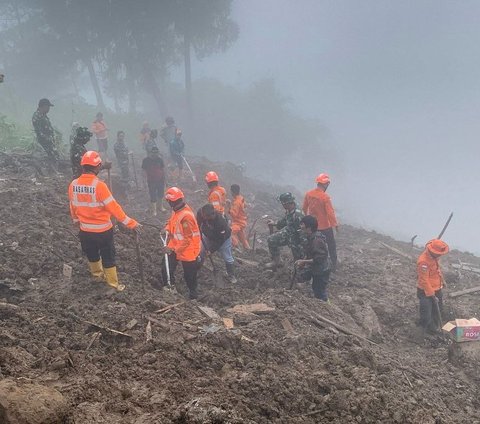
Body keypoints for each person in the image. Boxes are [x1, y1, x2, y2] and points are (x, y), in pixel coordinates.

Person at [68, 151, 139, 291]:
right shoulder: (100, 186)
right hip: (103, 231)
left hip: (85, 231)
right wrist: (131, 223)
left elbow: (73, 205)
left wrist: (76, 220)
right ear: (97, 167)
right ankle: (112, 284)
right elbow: (114, 208)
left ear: (83, 166)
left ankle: (97, 276)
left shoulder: (73, 184)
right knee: (108, 256)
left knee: (92, 254)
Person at [161, 187, 201, 299]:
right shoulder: (176, 209)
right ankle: (169, 287)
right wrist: (167, 229)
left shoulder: (186, 216)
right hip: (175, 244)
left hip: (188, 248)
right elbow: (171, 222)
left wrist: (173, 249)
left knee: (189, 275)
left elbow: (188, 238)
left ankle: (193, 296)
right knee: (166, 267)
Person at [302, 173, 339, 270]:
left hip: (313, 226)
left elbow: (304, 209)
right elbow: (330, 212)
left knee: (312, 245)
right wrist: (335, 225)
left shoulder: (308, 194)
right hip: (324, 226)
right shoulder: (325, 197)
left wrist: (306, 221)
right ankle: (334, 264)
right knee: (331, 245)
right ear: (326, 184)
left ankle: (309, 263)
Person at [197, 203, 237, 283]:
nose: (204, 218)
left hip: (223, 239)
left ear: (212, 214)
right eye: (203, 216)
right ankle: (197, 270)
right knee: (201, 251)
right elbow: (198, 223)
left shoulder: (221, 223)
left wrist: (211, 250)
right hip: (208, 235)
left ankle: (231, 275)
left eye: (206, 217)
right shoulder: (201, 213)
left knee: (227, 257)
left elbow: (219, 240)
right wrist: (199, 233)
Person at [417, 239, 449, 334]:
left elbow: (437, 270)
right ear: (433, 251)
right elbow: (424, 280)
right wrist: (432, 295)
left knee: (438, 310)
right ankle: (423, 331)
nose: (440, 255)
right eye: (439, 254)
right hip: (425, 291)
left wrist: (443, 281)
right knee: (426, 313)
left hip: (437, 288)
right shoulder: (423, 262)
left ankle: (434, 329)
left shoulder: (435, 258)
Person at [295, 215, 331, 301]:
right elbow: (311, 253)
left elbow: (318, 259)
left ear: (309, 227)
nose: (301, 227)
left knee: (319, 292)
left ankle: (326, 306)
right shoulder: (311, 237)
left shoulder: (316, 240)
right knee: (305, 278)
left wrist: (304, 261)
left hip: (322, 270)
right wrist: (304, 261)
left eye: (303, 225)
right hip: (317, 268)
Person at [266, 192, 304, 270]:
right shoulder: (289, 210)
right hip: (288, 232)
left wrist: (303, 244)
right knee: (271, 239)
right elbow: (285, 220)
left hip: (296, 237)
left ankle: (301, 277)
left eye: (283, 204)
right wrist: (275, 223)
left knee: (298, 259)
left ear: (286, 203)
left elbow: (302, 232)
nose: (282, 205)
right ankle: (277, 261)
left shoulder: (298, 214)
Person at [32, 98, 59, 173]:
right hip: (44, 142)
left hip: (48, 141)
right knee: (51, 156)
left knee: (54, 156)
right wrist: (48, 139)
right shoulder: (37, 116)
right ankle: (51, 172)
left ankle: (52, 171)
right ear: (43, 106)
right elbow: (39, 132)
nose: (48, 109)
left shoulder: (43, 115)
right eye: (48, 107)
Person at [141, 146, 166, 216]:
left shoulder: (160, 160)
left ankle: (160, 207)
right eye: (154, 152)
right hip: (151, 180)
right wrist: (143, 180)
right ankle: (154, 210)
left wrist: (165, 179)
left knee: (161, 193)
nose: (155, 154)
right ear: (151, 152)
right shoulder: (146, 160)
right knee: (153, 194)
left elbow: (162, 169)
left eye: (157, 152)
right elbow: (143, 170)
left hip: (160, 179)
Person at [228, 184, 250, 250]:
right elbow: (245, 206)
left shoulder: (237, 202)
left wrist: (229, 208)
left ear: (232, 192)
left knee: (229, 233)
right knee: (242, 238)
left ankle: (236, 246)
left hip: (238, 223)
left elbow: (234, 214)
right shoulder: (241, 198)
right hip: (242, 222)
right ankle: (248, 249)